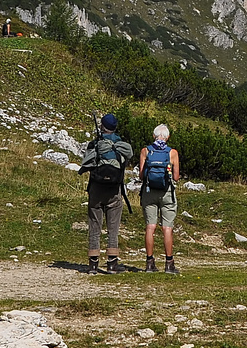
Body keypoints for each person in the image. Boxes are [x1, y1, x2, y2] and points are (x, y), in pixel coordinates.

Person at [78, 113, 133, 274]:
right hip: (114, 190)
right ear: (115, 127)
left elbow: (86, 163)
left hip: (96, 188)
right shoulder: (122, 145)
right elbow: (125, 161)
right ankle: (112, 263)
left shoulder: (95, 144)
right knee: (113, 227)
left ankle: (93, 264)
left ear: (102, 126)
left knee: (95, 225)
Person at [138, 124, 181, 274]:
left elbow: (141, 175)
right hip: (166, 192)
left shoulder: (145, 151)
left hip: (149, 191)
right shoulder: (173, 153)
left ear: (153, 136)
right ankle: (169, 263)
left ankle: (149, 262)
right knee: (167, 228)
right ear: (167, 137)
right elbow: (175, 177)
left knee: (150, 226)